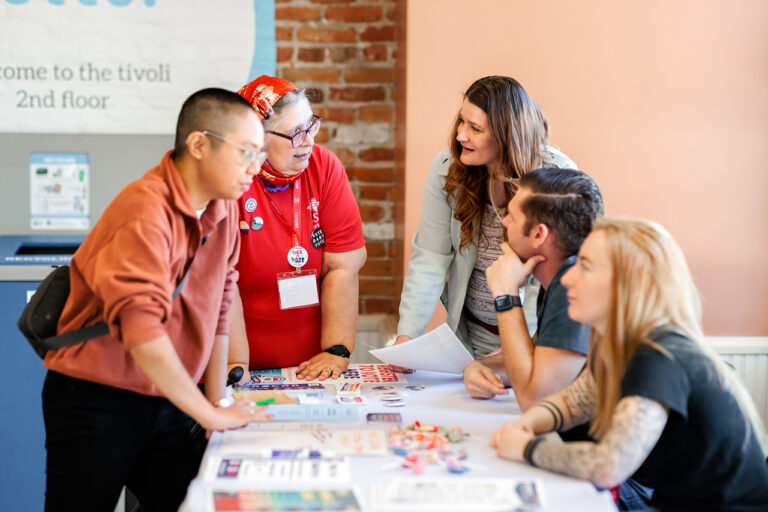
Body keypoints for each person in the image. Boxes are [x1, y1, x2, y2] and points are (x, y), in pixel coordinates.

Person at [42, 88, 273, 510]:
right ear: (199, 144)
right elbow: (141, 328)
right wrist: (208, 413)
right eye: (246, 152)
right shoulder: (145, 208)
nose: (254, 169)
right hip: (96, 398)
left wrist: (216, 402)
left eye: (260, 155)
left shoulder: (226, 210)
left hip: (166, 395)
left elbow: (219, 309)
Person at [491, 217, 768, 511]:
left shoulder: (658, 356)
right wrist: (526, 424)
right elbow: (575, 402)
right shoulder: (619, 343)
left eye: (585, 265)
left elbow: (608, 466)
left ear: (630, 282)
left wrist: (526, 447)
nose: (567, 278)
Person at [396, 75, 577, 363]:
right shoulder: (447, 168)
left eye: (475, 128)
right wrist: (408, 337)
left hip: (535, 340)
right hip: (469, 337)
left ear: (507, 135)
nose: (460, 135)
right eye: (461, 121)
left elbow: (549, 276)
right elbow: (430, 256)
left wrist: (516, 349)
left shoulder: (557, 177)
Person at [227, 75, 366, 383]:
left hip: (310, 365)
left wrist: (337, 350)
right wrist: (234, 365)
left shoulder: (324, 167)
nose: (308, 142)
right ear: (257, 139)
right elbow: (222, 284)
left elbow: (343, 266)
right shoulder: (232, 178)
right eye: (294, 134)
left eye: (310, 126)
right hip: (238, 363)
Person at [462, 168, 603, 410]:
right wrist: (483, 367)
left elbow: (534, 399)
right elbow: (536, 360)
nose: (504, 221)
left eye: (513, 217)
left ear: (538, 234)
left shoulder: (575, 286)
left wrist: (506, 294)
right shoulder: (559, 276)